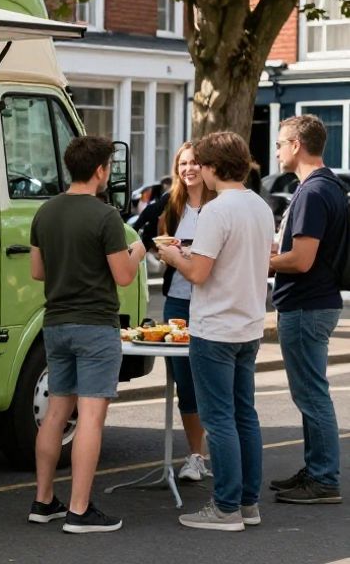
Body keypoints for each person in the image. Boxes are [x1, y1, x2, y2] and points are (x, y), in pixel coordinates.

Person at [156, 131, 274, 531]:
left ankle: (225, 508)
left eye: (202, 165)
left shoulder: (215, 210)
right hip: (248, 324)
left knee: (219, 419)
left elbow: (198, 274)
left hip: (215, 328)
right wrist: (190, 254)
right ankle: (247, 504)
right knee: (245, 416)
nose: (199, 171)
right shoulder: (259, 206)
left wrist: (174, 255)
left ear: (211, 168)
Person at [28, 135, 145, 534]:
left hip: (55, 323)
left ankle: (44, 501)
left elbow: (38, 271)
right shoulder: (106, 216)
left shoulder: (45, 212)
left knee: (56, 413)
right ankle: (79, 510)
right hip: (95, 325)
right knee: (91, 417)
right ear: (99, 170)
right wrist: (138, 251)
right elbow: (123, 276)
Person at [267, 115, 345, 504]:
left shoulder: (313, 192)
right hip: (315, 303)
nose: (277, 151)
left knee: (312, 395)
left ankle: (324, 479)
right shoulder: (328, 186)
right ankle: (316, 470)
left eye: (280, 143)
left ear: (297, 145)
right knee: (311, 394)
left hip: (306, 306)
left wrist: (260, 261)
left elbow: (301, 260)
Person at [133, 142, 215, 481]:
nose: (188, 169)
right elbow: (138, 232)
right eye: (183, 163)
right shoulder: (169, 202)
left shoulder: (219, 204)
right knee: (185, 381)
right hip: (179, 302)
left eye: (194, 163)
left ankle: (221, 452)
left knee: (212, 379)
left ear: (206, 167)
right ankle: (196, 456)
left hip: (213, 301)